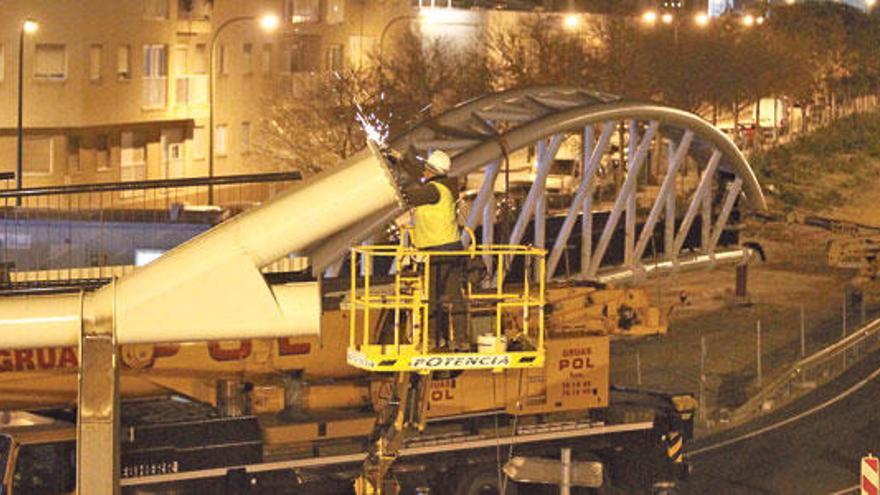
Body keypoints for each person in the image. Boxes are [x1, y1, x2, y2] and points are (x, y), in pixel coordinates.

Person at [403, 150, 468, 351]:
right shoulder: (444, 188)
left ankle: (432, 339)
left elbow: (409, 195)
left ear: (432, 171)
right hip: (449, 248)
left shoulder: (434, 190)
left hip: (439, 251)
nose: (424, 171)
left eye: (426, 169)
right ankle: (460, 340)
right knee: (453, 296)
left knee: (431, 297)